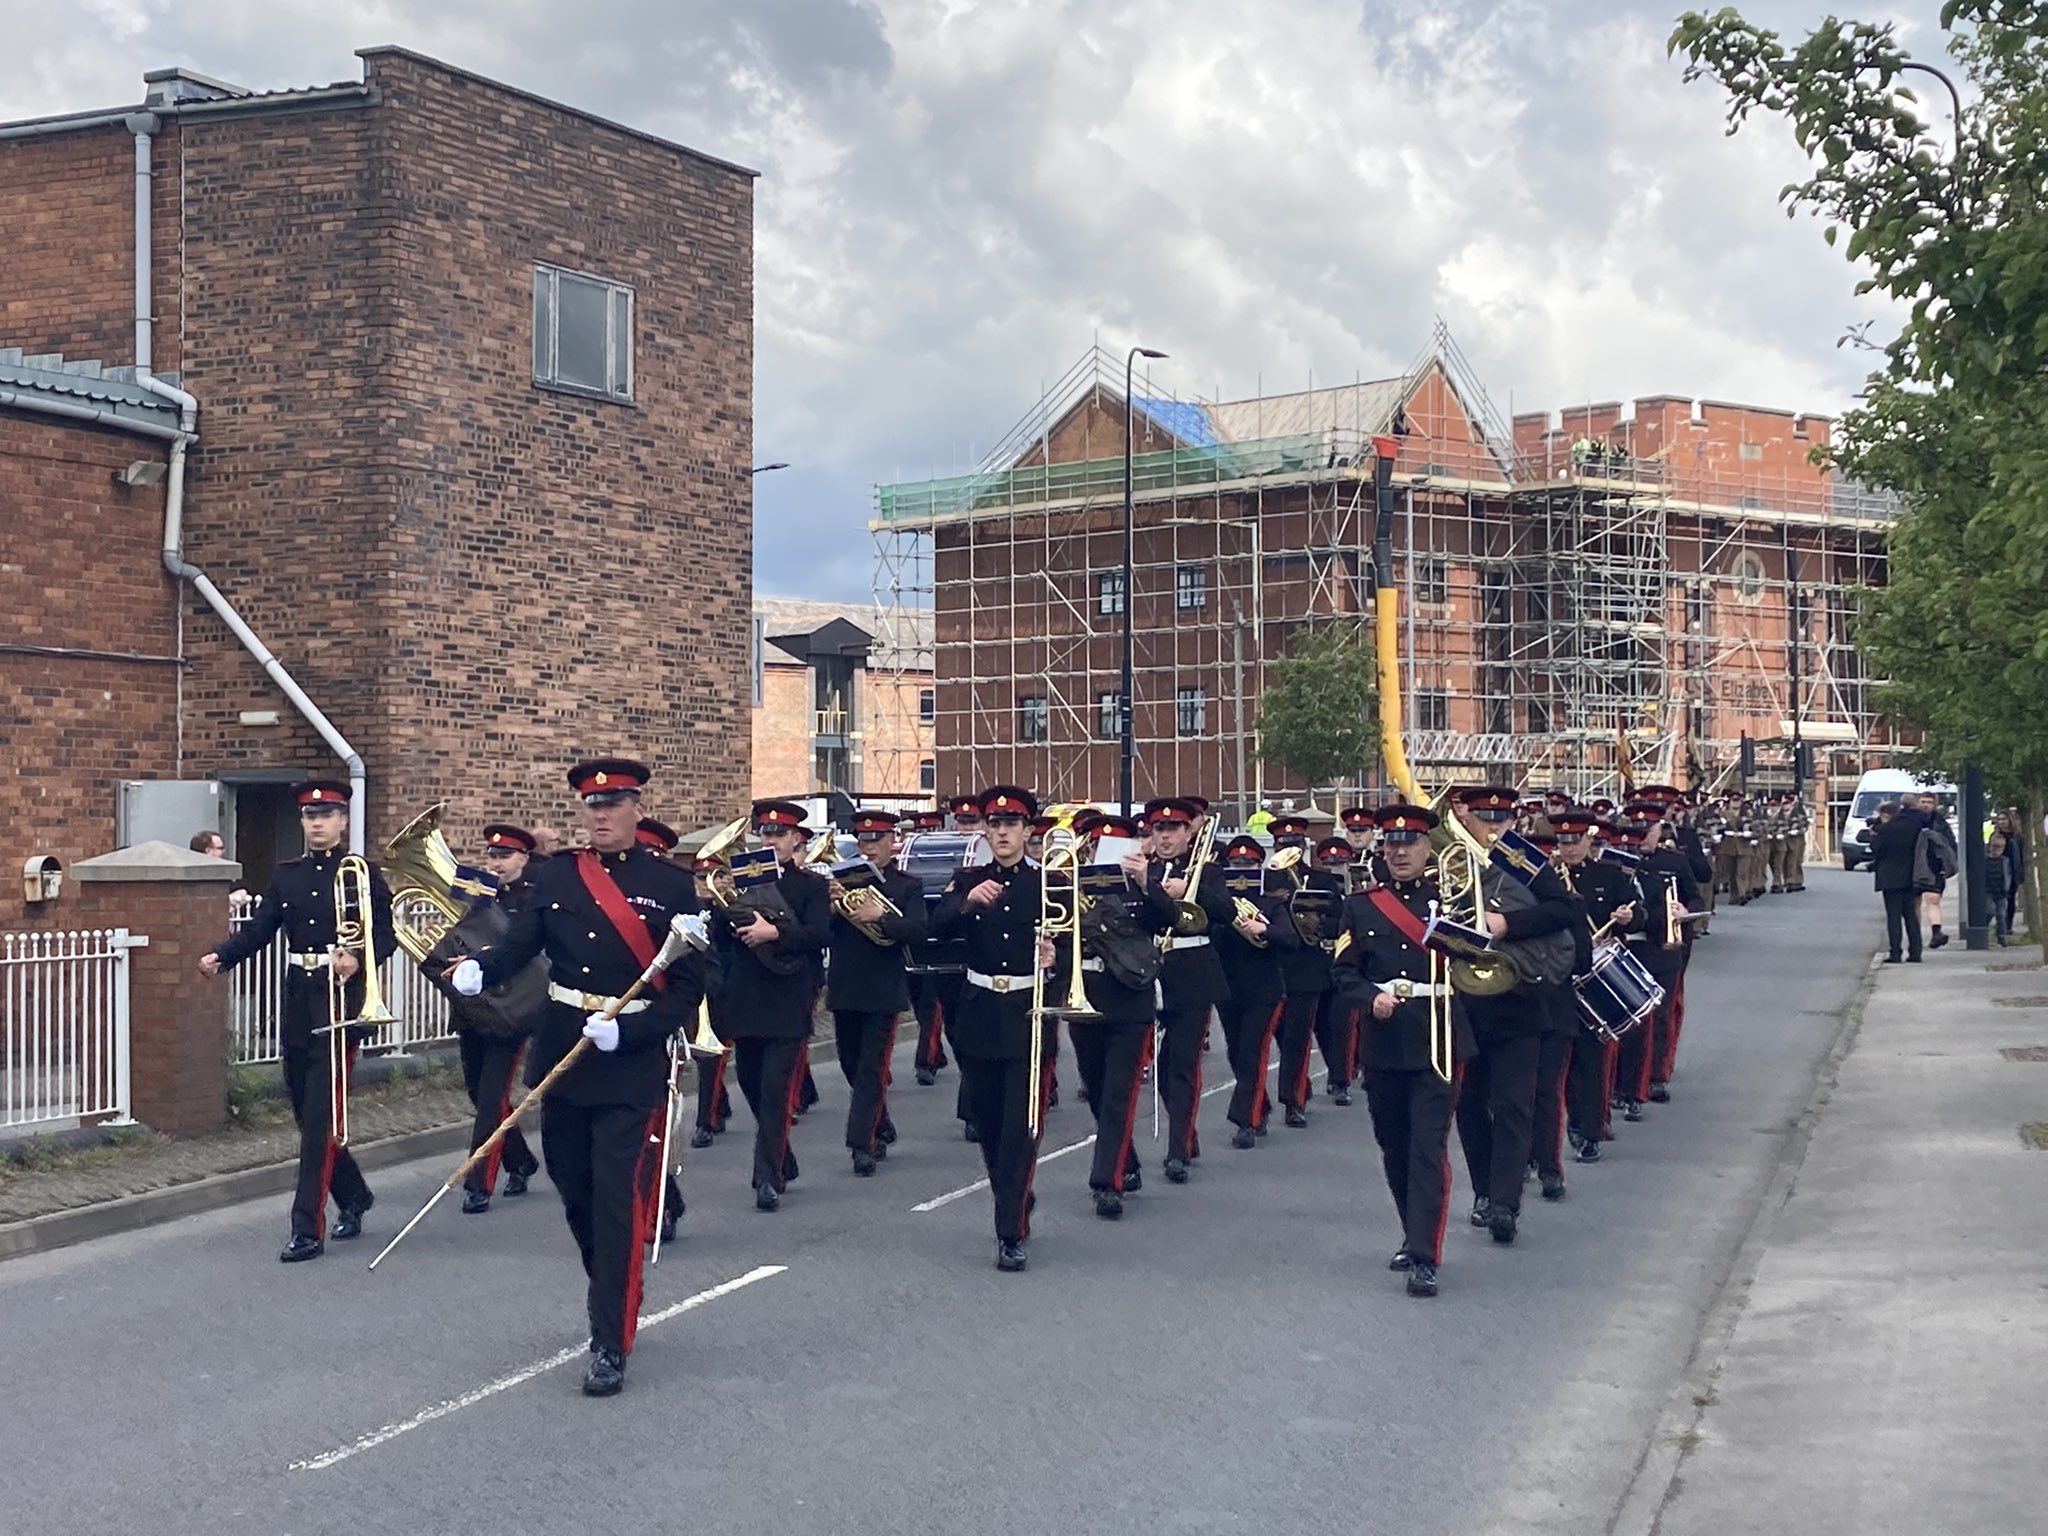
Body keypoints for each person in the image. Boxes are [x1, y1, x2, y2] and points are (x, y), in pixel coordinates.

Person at [446, 758, 705, 1396]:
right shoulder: (554, 875)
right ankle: (609, 1286)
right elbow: (521, 943)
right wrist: (483, 968)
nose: (602, 815)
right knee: (574, 1187)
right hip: (563, 1052)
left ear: (637, 808)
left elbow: (693, 988)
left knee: (616, 1197)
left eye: (613, 804)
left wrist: (636, 1031)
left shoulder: (670, 887)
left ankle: (609, 1337)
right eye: (592, 806)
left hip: (630, 1057)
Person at [199, 780, 392, 1263]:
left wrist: (360, 962)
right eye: (310, 817)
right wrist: (221, 957)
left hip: (341, 1001)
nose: (318, 823)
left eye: (327, 815)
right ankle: (354, 1196)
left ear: (343, 821)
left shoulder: (363, 873)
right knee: (306, 1112)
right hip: (298, 997)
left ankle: (307, 1228)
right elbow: (262, 931)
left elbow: (386, 935)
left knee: (318, 1119)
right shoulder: (287, 877)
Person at [1330, 804, 1474, 1297]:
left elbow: (1481, 961)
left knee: (1427, 1147)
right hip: (1385, 1039)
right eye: (1392, 844)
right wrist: (1371, 997)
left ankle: (1424, 1253)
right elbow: (1344, 972)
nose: (1400, 852)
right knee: (1394, 1144)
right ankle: (1411, 1231)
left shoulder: (1451, 902)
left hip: (1438, 1035)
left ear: (1427, 848)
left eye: (1409, 843)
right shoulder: (1362, 905)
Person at [929, 786, 1057, 1270]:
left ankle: (1009, 1232)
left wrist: (1054, 958)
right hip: (979, 1008)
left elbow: (1072, 944)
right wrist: (965, 903)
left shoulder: (1049, 882)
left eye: (1011, 824)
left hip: (1028, 1010)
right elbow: (932, 928)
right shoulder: (968, 879)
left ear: (1027, 831)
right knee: (986, 1121)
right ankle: (1015, 1198)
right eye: (994, 824)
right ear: (985, 830)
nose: (1001, 831)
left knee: (1021, 1126)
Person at [1447, 786, 1576, 1246]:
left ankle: (1505, 1204)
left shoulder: (1524, 860)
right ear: (1466, 817)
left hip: (1520, 997)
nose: (1495, 826)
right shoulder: (1448, 858)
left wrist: (1508, 925)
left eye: (1502, 818)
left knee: (1514, 1105)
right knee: (1469, 1104)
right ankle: (1484, 1190)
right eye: (1485, 817)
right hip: (1462, 1000)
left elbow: (1565, 911)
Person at [718, 799, 830, 1211]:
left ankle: (765, 1177)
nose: (771, 840)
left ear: (796, 839)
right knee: (748, 1081)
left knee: (774, 1091)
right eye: (765, 833)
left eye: (779, 834)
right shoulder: (744, 880)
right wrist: (715, 906)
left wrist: (774, 933)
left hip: (788, 996)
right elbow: (721, 935)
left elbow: (820, 935)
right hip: (746, 996)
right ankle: (781, 1156)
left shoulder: (811, 886)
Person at [1059, 814, 1173, 1218]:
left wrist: (1145, 882)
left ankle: (1106, 1181)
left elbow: (1168, 919)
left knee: (1118, 1093)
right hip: (1085, 995)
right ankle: (1126, 1159)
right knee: (1095, 1086)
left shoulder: (1142, 889)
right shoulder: (1068, 883)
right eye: (1092, 845)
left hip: (1129, 999)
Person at [826, 808, 928, 1177]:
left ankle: (862, 1145)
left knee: (871, 1068)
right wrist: (831, 906)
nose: (869, 848)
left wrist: (881, 917)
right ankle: (880, 1125)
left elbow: (918, 930)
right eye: (863, 841)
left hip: (883, 990)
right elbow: (820, 933)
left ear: (892, 843)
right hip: (844, 987)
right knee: (851, 1065)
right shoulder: (839, 884)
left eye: (876, 841)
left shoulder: (906, 885)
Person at [453, 823, 545, 1215]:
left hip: (511, 1009)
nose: (497, 863)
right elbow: (453, 935)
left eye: (505, 856)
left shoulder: (533, 899)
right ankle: (521, 1161)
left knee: (492, 1096)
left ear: (523, 858)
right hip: (472, 1008)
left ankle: (478, 1182)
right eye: (492, 856)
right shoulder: (477, 895)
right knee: (478, 1091)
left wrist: (483, 958)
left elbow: (523, 952)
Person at [1144, 796, 1233, 1182]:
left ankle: (1177, 1149)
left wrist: (1191, 893)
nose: (1165, 837)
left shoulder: (1206, 871)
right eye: (1159, 830)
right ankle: (1186, 1134)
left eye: (1173, 830)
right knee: (1159, 1069)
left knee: (1181, 1065)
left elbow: (1228, 912)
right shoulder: (1142, 870)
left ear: (1187, 832)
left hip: (1192, 971)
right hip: (1150, 971)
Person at [1215, 834, 1301, 1150]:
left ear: (1258, 866)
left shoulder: (1272, 902)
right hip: (1227, 985)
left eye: (1247, 864)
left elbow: (1291, 939)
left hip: (1264, 989)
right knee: (1236, 1052)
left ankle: (1246, 1122)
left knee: (1253, 1052)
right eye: (1235, 864)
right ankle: (1259, 1105)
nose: (1241, 870)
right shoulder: (1220, 901)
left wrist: (1264, 929)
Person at [1866, 801, 1924, 963]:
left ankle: (1895, 953)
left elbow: (1877, 849)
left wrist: (1873, 836)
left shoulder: (1885, 830)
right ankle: (1915, 952)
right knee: (1911, 916)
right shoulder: (1912, 827)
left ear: (1885, 815)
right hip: (1910, 876)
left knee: (1894, 916)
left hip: (1889, 878)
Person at [1914, 793, 1959, 949]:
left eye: (1929, 802)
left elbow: (1950, 845)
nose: (1926, 805)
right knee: (1915, 902)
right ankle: (1916, 935)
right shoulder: (1912, 820)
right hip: (1915, 866)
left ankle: (1936, 932)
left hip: (1934, 865)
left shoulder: (1940, 823)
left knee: (1933, 900)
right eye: (1923, 802)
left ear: (1934, 804)